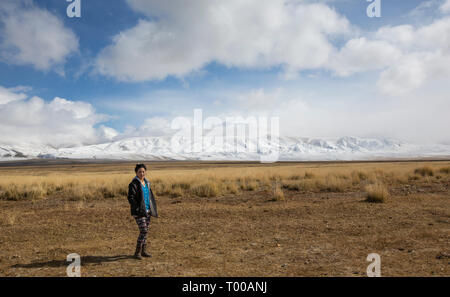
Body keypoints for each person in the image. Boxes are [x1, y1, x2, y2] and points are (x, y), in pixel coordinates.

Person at [127, 163, 158, 259]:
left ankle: (143, 251)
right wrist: (136, 208)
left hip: (147, 210)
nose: (142, 173)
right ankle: (137, 253)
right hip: (139, 212)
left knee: (146, 231)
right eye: (140, 171)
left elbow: (149, 196)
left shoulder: (147, 183)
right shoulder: (133, 184)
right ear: (136, 172)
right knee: (143, 230)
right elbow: (130, 197)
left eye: (143, 171)